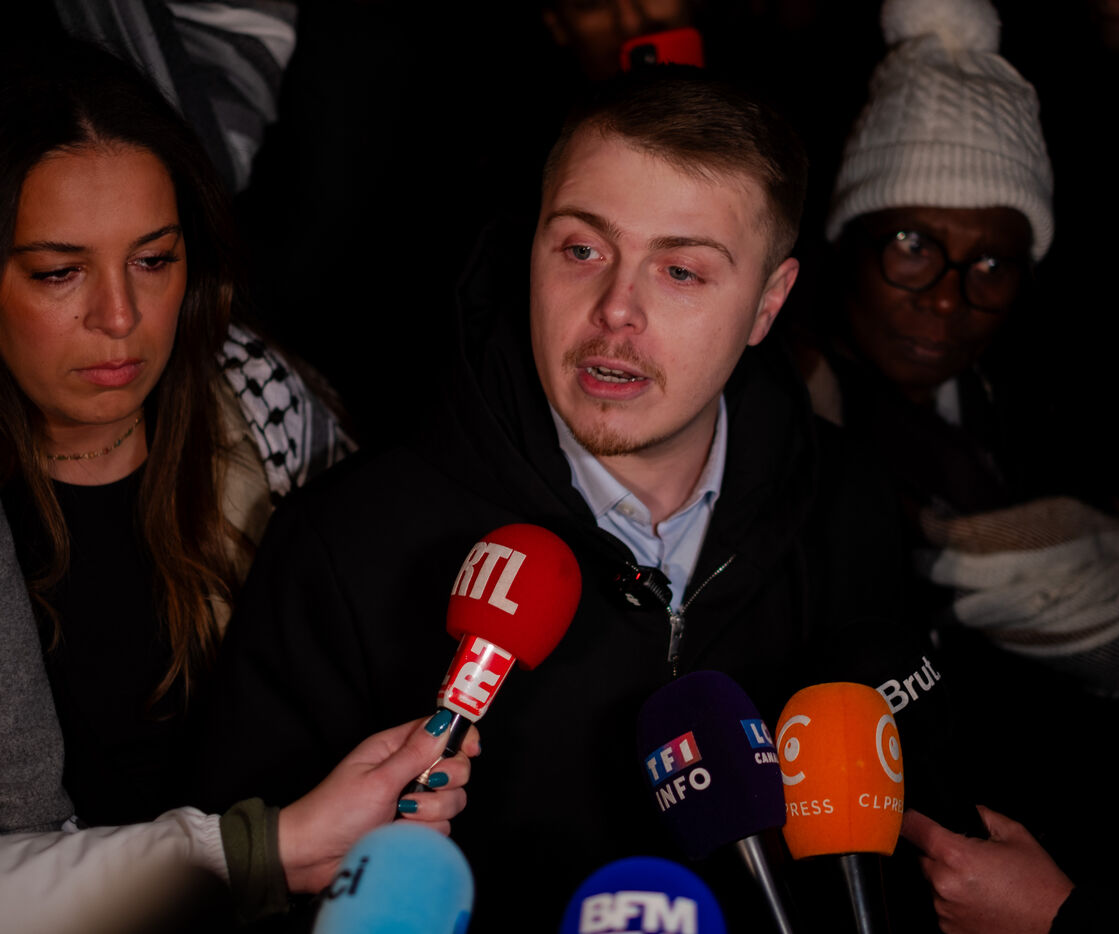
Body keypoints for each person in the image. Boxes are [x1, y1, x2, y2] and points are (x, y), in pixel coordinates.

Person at [197, 66, 961, 930]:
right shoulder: (347, 544)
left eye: (681, 271)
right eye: (582, 250)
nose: (615, 311)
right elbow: (234, 895)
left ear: (768, 303)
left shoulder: (851, 506)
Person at [0, 39, 474, 927]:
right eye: (59, 272)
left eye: (154, 259)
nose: (120, 317)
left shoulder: (259, 407)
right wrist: (267, 848)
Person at [792, 0, 1119, 929]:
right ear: (846, 240)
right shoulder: (784, 434)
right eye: (912, 246)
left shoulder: (1040, 412)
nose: (947, 302)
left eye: (992, 265)